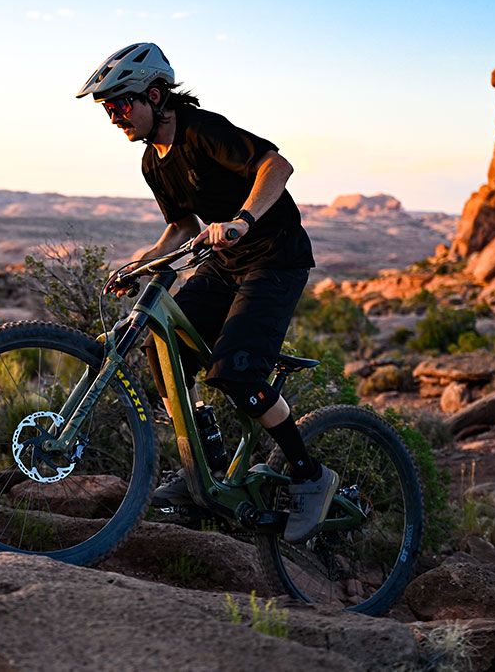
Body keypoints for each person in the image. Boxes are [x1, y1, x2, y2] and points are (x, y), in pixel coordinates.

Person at [76, 42, 338, 544]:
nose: (114, 117)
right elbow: (180, 226)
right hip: (223, 265)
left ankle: (311, 476)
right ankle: (204, 467)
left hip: (274, 259)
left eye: (121, 104)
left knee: (237, 372)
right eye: (107, 109)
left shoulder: (203, 130)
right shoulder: (154, 162)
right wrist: (140, 263)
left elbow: (276, 167)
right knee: (163, 346)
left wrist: (242, 220)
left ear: (155, 95)